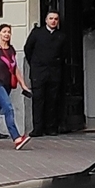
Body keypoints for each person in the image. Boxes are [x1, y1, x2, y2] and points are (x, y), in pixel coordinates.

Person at [23, 9, 66, 137]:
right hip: (38, 72)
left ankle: (51, 128)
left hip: (54, 72)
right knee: (38, 100)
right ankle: (37, 128)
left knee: (52, 101)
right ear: (46, 20)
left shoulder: (61, 36)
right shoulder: (37, 33)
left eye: (56, 19)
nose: (53, 21)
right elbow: (28, 49)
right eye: (51, 18)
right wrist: (35, 64)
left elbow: (64, 53)